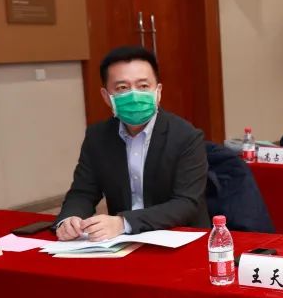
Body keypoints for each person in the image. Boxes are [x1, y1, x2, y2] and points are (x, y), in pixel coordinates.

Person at [55, 46, 209, 241]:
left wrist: (123, 223)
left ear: (158, 91)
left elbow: (186, 203)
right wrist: (70, 219)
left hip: (179, 238)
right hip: (121, 243)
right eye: (122, 88)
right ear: (106, 96)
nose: (134, 95)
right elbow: (82, 192)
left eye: (143, 86)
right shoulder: (97, 136)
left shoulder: (186, 136)